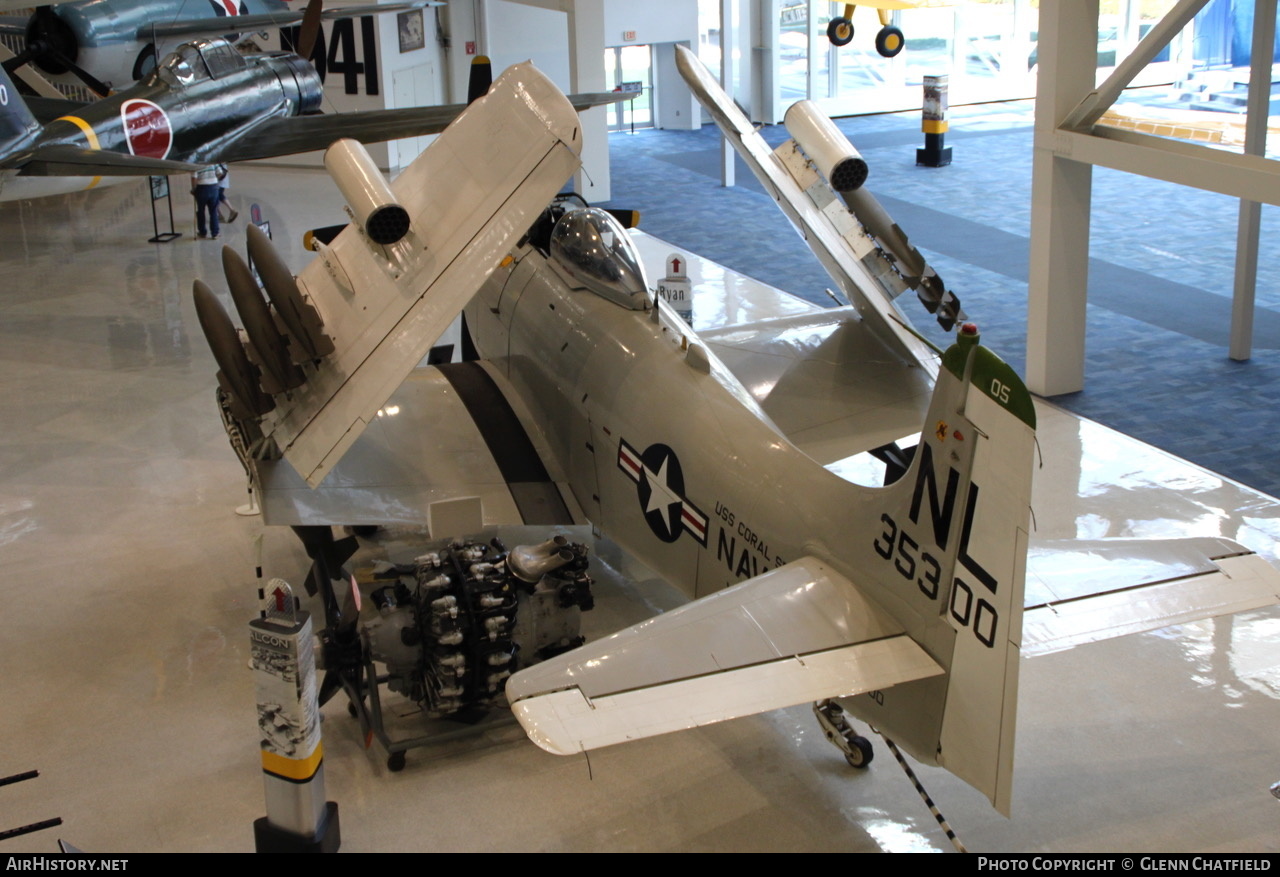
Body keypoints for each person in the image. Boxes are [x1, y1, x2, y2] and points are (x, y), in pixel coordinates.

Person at [191, 165, 220, 239]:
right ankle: (215, 233)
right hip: (214, 187)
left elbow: (194, 178)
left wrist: (193, 189)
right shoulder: (213, 161)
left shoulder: (196, 162)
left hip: (201, 188)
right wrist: (215, 181)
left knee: (200, 211)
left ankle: (202, 232)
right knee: (213, 211)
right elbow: (220, 173)